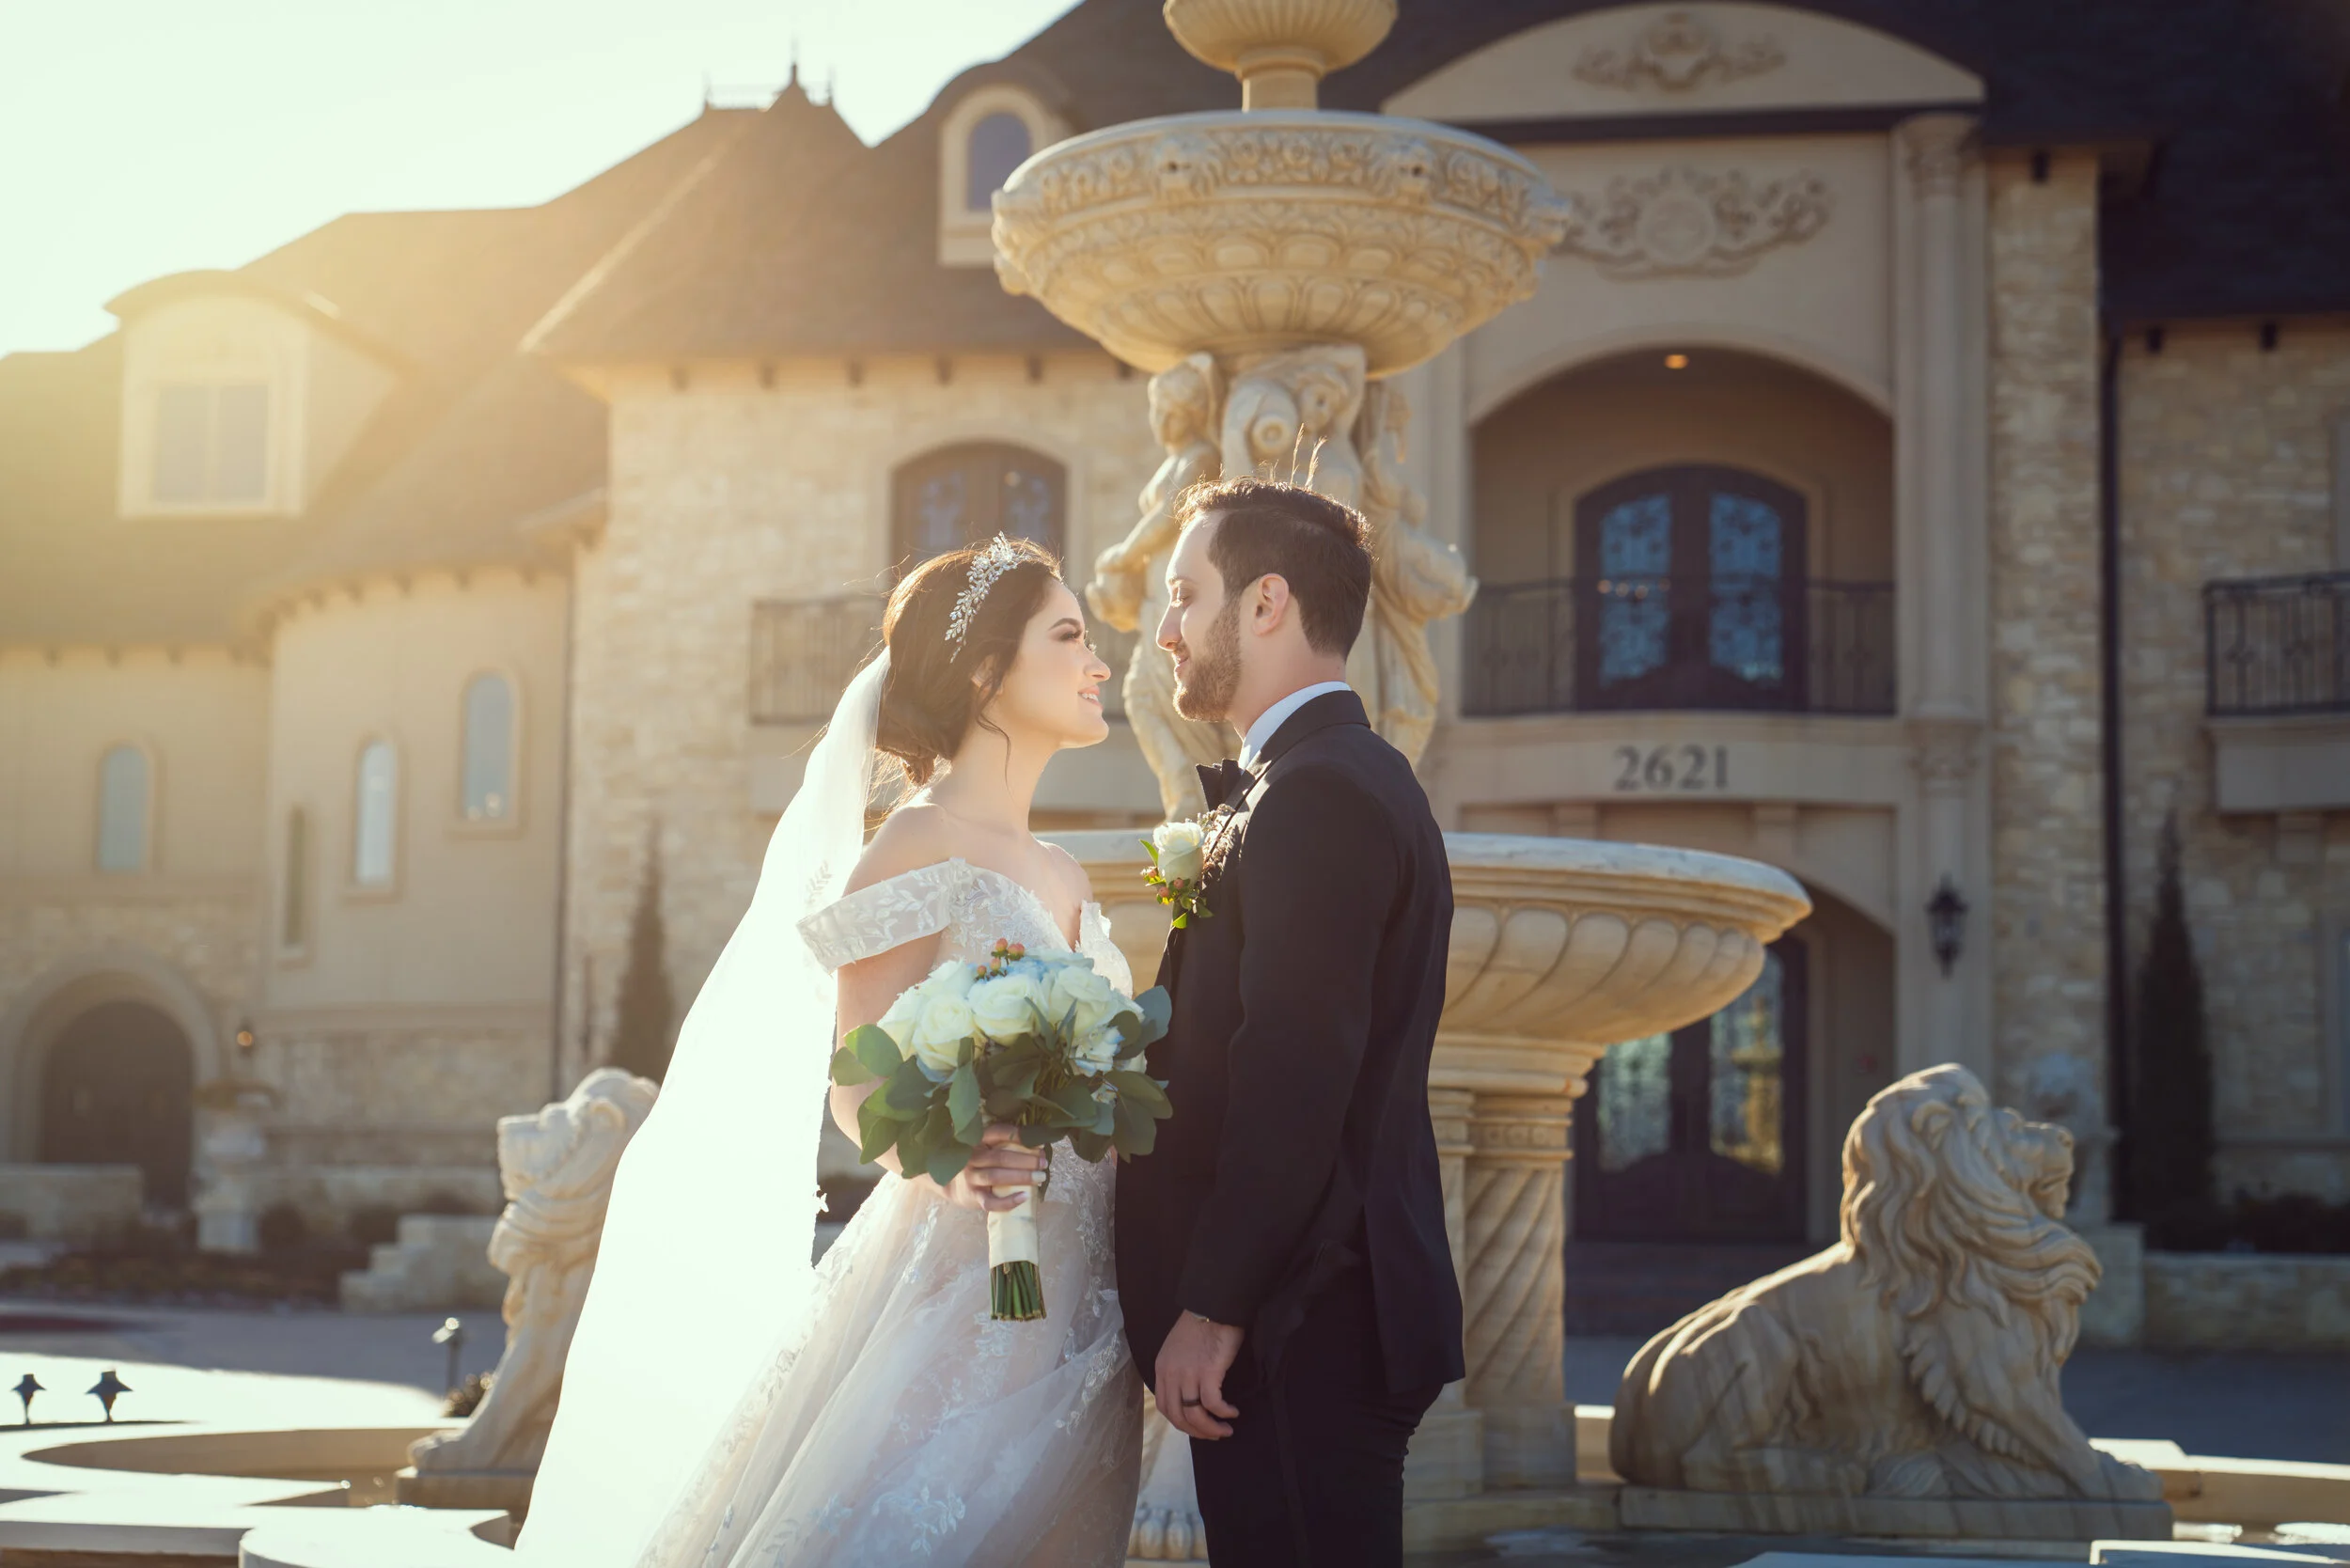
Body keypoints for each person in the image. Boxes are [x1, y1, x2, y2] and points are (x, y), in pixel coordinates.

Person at [518, 536, 1143, 1566]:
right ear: (986, 671)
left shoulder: (1066, 872)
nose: (1099, 663)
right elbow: (857, 1090)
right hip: (961, 1286)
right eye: (1069, 635)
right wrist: (956, 1162)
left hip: (1086, 1296)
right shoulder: (913, 845)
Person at [1116, 477, 1465, 1567]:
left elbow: (1294, 1074)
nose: (1165, 632)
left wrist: (1214, 1309)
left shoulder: (1317, 795)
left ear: (1265, 604)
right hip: (1305, 1315)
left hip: (1304, 1320)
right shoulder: (1329, 779)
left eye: (1184, 595)